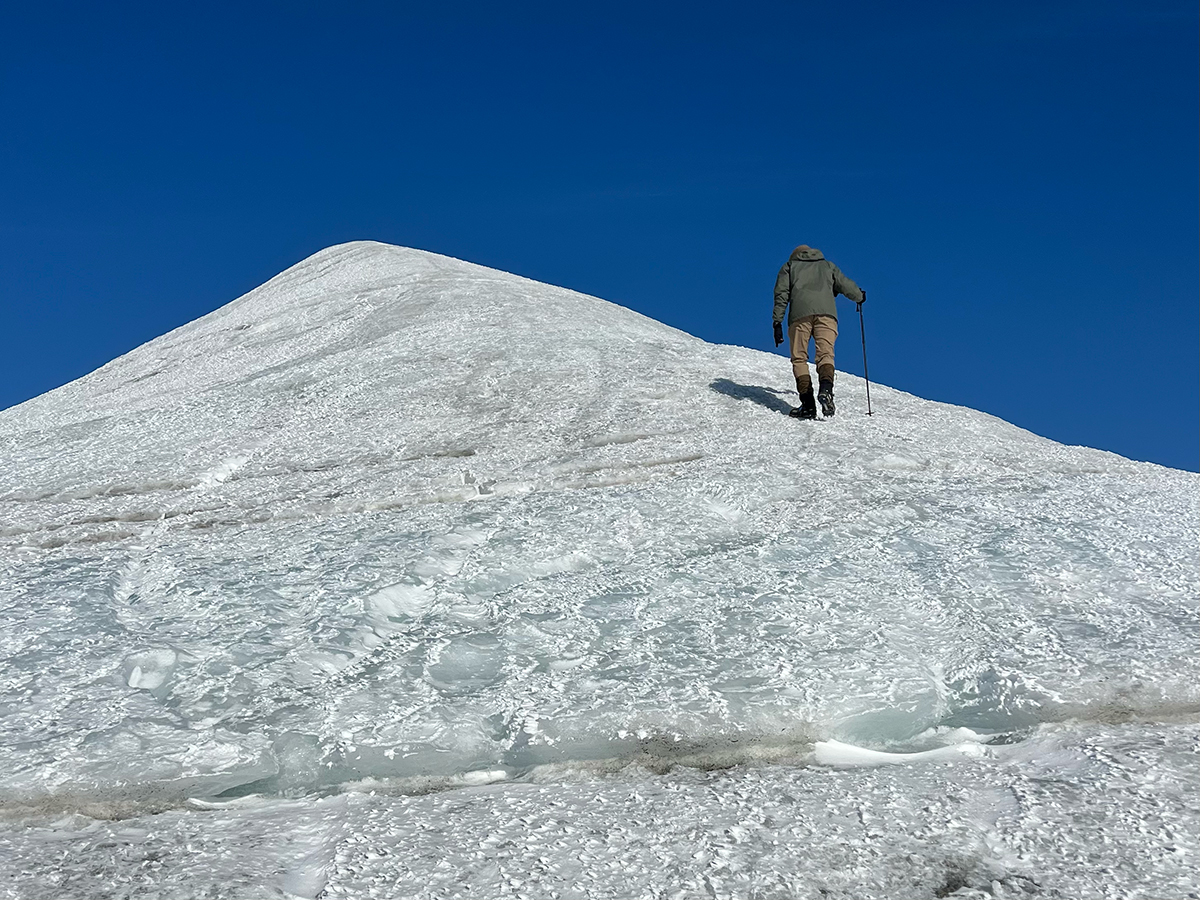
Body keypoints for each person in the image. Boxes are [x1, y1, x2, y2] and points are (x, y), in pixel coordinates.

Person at [772, 245, 864, 419]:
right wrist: (859, 296)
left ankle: (807, 405)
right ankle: (826, 390)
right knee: (825, 355)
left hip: (800, 316)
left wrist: (777, 322)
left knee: (799, 358)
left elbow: (781, 294)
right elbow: (845, 285)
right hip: (827, 315)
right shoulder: (827, 266)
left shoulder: (789, 267)